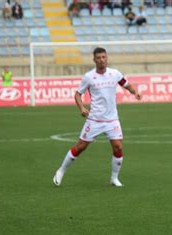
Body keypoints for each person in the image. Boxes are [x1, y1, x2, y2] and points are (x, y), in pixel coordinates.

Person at [53, 47, 141, 187]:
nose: (102, 60)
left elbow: (126, 84)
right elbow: (77, 94)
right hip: (95, 119)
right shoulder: (89, 77)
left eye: (104, 57)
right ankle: (61, 170)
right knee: (81, 146)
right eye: (98, 58)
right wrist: (82, 107)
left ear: (107, 58)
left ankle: (114, 178)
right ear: (94, 60)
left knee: (118, 147)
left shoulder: (115, 73)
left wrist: (134, 92)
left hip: (112, 119)